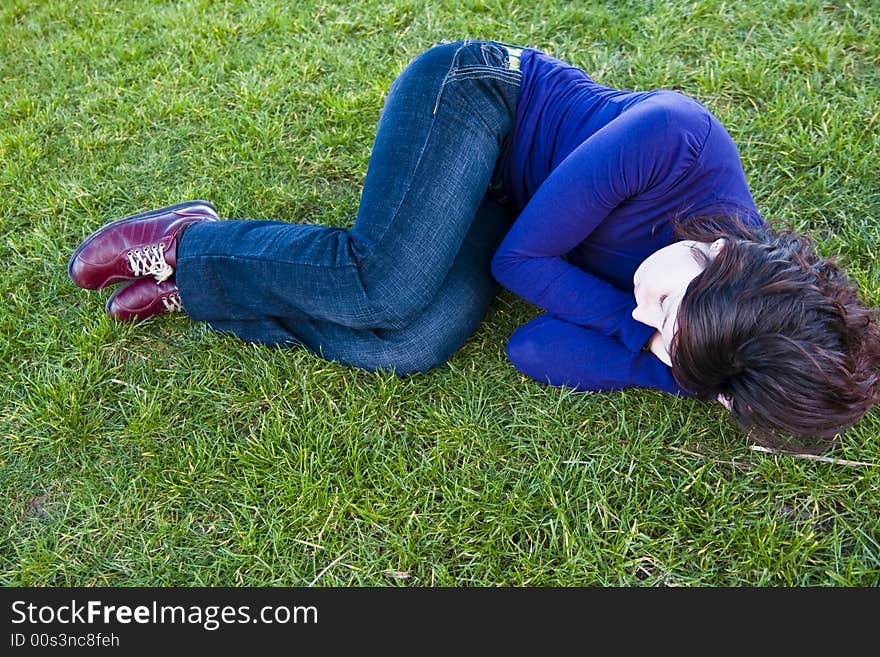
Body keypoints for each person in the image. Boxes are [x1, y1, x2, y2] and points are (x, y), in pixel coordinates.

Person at [68, 39, 880, 455]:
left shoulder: (705, 328)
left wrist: (682, 368)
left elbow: (532, 346)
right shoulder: (678, 141)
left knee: (415, 343)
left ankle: (198, 287)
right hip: (478, 103)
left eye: (658, 327)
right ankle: (185, 242)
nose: (640, 311)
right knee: (383, 286)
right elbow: (521, 267)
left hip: (512, 203)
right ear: (722, 260)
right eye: (663, 301)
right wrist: (655, 334)